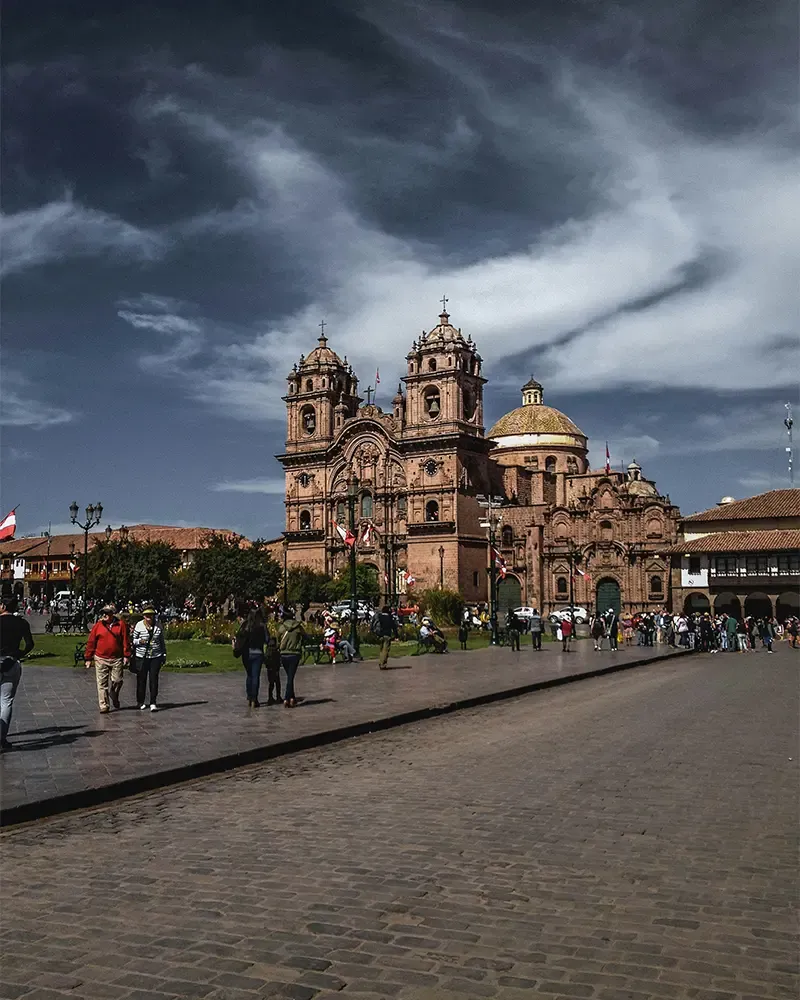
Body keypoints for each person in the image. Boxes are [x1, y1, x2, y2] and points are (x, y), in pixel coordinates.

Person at [0, 597, 34, 751]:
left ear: (3, 606)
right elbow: (29, 644)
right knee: (6, 701)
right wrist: (18, 654)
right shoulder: (21, 622)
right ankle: (2, 738)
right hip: (11, 662)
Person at [84, 603, 131, 713]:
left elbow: (125, 640)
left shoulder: (121, 625)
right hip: (101, 658)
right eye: (103, 613)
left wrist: (126, 655)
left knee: (118, 680)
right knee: (102, 683)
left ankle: (114, 694)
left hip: (117, 658)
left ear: (112, 614)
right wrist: (88, 658)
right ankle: (104, 705)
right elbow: (91, 642)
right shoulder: (98, 626)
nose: (104, 615)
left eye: (107, 613)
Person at [132, 607, 167, 711]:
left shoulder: (158, 626)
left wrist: (164, 654)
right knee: (141, 680)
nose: (149, 617)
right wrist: (139, 641)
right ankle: (140, 701)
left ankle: (153, 702)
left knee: (153, 679)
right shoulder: (139, 625)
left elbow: (161, 641)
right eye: (147, 615)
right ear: (144, 616)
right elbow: (133, 640)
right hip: (142, 656)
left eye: (151, 615)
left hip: (155, 656)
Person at [236, 607, 267, 707]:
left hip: (246, 654)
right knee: (255, 676)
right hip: (258, 653)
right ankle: (254, 698)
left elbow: (239, 637)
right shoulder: (262, 626)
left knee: (249, 675)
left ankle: (249, 696)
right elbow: (267, 639)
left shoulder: (245, 626)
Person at [277, 609, 304, 707]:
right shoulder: (298, 627)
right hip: (295, 653)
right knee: (290, 677)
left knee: (289, 676)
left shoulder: (282, 627)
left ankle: (292, 698)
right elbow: (305, 636)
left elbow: (277, 638)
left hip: (284, 654)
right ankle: (287, 698)